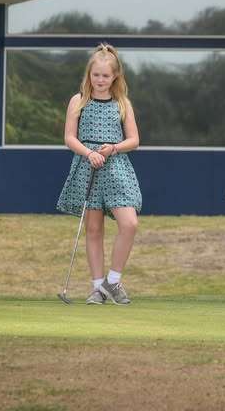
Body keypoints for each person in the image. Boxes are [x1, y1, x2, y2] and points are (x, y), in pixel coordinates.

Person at [57, 43, 142, 305]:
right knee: (94, 229)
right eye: (96, 75)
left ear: (115, 76)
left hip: (115, 165)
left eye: (106, 76)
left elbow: (134, 140)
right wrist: (89, 153)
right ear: (89, 74)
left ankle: (112, 282)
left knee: (129, 223)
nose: (100, 80)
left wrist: (113, 149)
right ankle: (97, 288)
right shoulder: (78, 100)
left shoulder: (122, 103)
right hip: (88, 165)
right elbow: (69, 138)